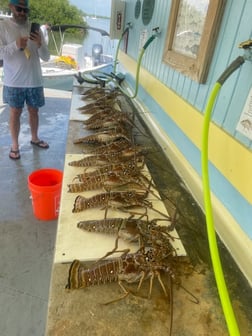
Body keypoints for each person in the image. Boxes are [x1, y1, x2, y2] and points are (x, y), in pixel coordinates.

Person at [0, 0, 50, 160]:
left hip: (34, 80)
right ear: (11, 7)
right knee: (15, 113)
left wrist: (40, 44)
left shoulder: (35, 28)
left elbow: (47, 57)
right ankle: (15, 146)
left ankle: (35, 138)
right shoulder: (3, 26)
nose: (22, 13)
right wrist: (16, 45)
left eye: (25, 10)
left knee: (34, 111)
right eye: (19, 9)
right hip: (13, 82)